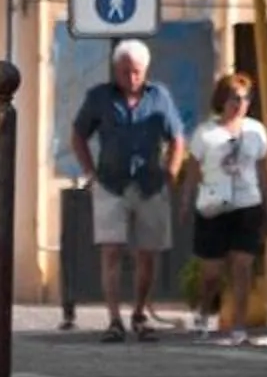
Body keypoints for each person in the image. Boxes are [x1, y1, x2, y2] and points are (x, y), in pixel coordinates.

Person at [69, 38, 185, 343]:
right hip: (111, 183)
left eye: (136, 72)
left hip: (149, 183)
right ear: (115, 70)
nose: (131, 78)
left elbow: (177, 138)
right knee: (111, 252)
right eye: (124, 72)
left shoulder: (159, 96)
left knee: (148, 253)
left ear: (145, 70)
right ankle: (114, 320)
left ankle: (139, 314)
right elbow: (78, 135)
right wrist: (90, 172)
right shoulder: (99, 98)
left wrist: (171, 172)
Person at [185, 74, 267, 344]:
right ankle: (202, 314)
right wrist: (186, 200)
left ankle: (239, 326)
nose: (240, 103)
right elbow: (193, 170)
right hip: (213, 207)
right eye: (235, 97)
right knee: (212, 272)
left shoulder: (256, 131)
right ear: (222, 100)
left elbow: (262, 169)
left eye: (245, 98)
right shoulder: (205, 134)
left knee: (242, 266)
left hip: (247, 205)